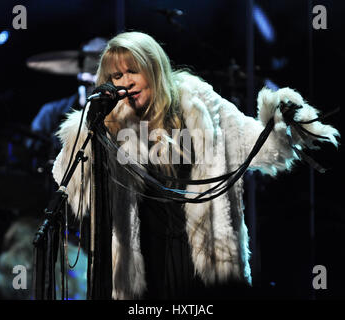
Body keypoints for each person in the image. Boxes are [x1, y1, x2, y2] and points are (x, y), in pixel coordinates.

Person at [51, 31, 339, 300]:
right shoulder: (108, 123)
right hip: (142, 257)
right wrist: (84, 128)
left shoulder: (198, 102)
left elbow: (263, 149)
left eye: (133, 71)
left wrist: (280, 120)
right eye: (116, 75)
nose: (125, 81)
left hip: (202, 253)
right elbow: (67, 178)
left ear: (153, 69)